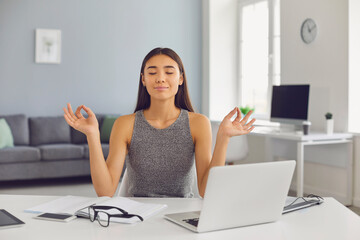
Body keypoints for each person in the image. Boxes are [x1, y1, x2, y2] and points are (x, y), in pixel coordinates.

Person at [63, 47, 255, 198]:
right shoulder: (125, 124)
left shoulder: (198, 123)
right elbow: (105, 192)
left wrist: (223, 138)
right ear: (143, 80)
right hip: (136, 214)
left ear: (180, 79)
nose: (160, 78)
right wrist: (93, 136)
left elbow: (207, 190)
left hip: (181, 212)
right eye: (152, 72)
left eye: (169, 72)